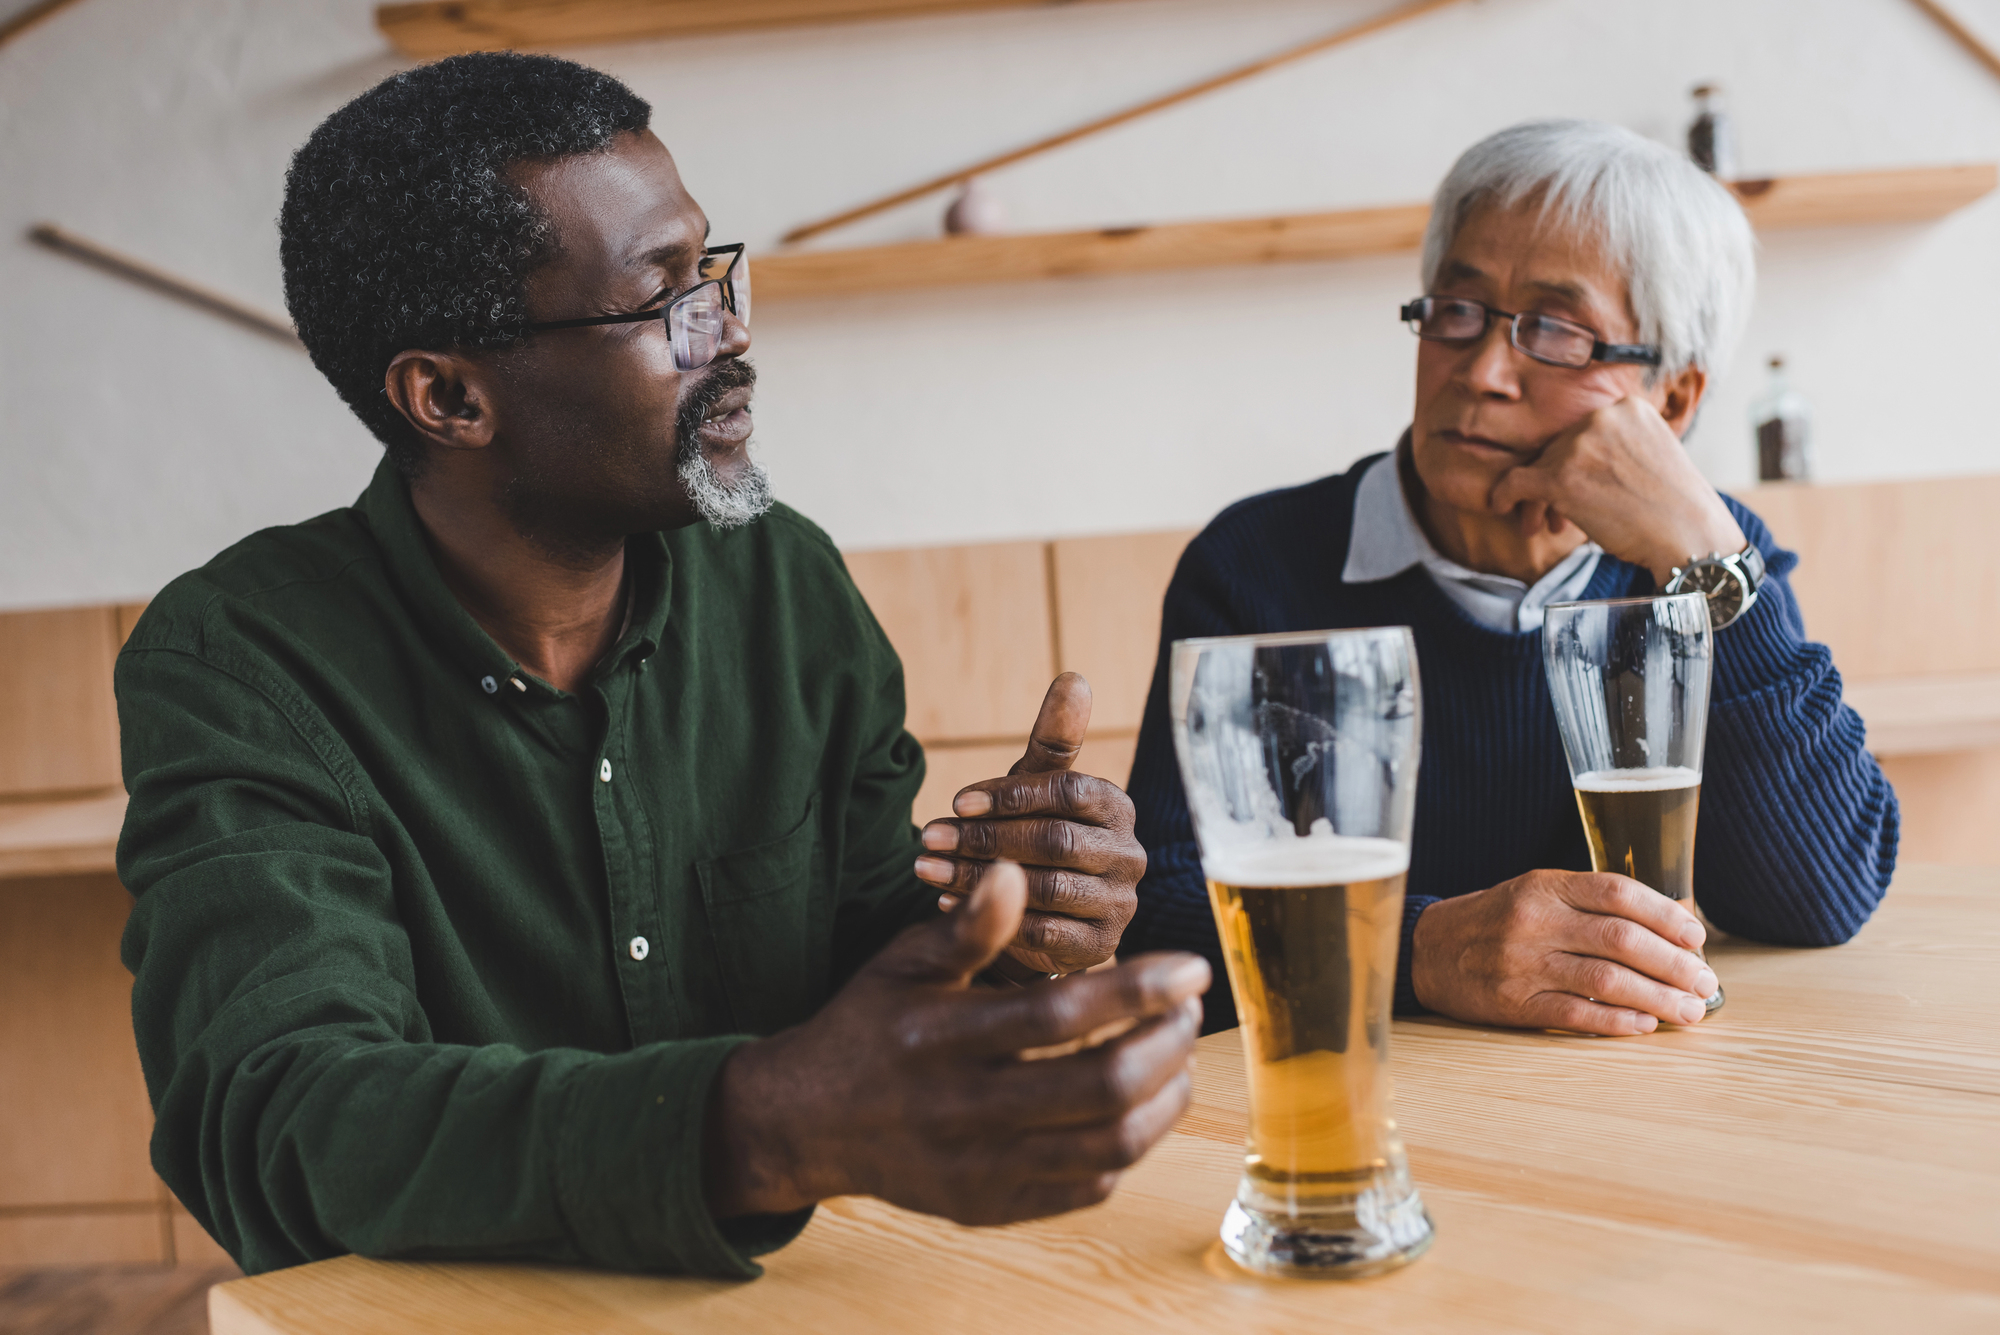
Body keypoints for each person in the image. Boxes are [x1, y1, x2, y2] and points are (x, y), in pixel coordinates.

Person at [117, 53, 1210, 1279]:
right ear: (449, 398)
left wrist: (1005, 930)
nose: (731, 332)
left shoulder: (783, 584)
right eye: (663, 297)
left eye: (714, 271)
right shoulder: (242, 661)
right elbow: (278, 1121)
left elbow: (861, 971)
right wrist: (755, 1125)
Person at [1122, 120, 1896, 1038]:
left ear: (1672, 401)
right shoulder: (1257, 565)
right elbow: (1161, 920)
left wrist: (1706, 554)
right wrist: (1426, 947)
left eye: (1557, 332)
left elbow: (1819, 896)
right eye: (1458, 309)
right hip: (1362, 1093)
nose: (1482, 371)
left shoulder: (1703, 565)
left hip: (1627, 1094)